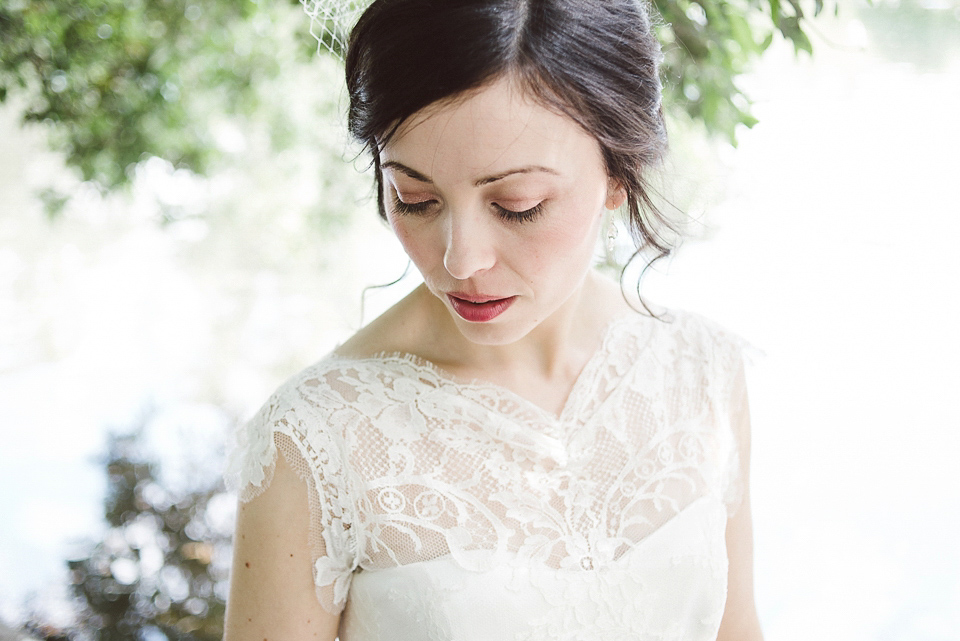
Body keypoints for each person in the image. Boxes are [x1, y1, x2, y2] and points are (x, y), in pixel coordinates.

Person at [223, 0, 764, 639]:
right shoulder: (314, 443)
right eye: (415, 199)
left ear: (619, 172)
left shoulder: (701, 372)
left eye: (518, 206)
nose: (461, 259)